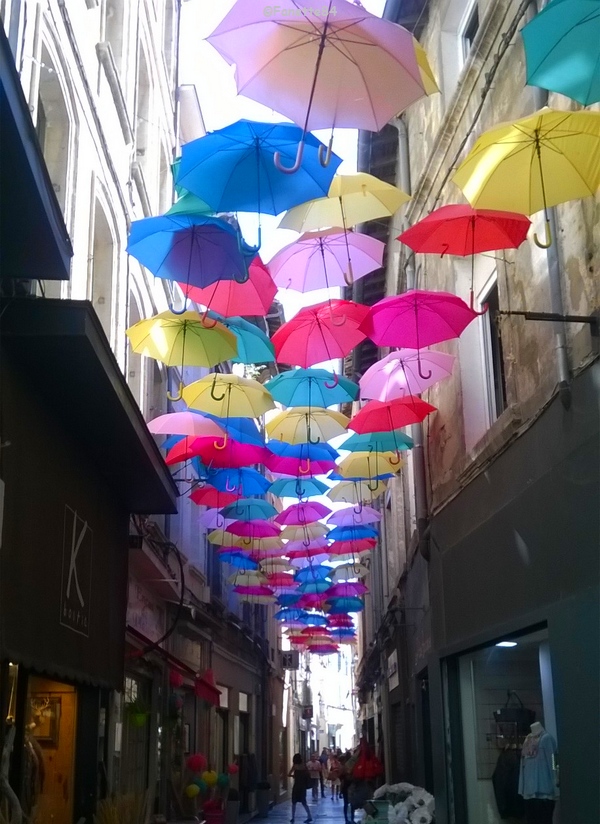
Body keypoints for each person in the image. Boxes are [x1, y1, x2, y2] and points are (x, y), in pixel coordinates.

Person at [289, 753, 313, 824]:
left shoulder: (295, 766)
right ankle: (309, 816)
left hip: (296, 786)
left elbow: (289, 774)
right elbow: (308, 774)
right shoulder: (304, 766)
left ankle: (293, 817)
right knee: (304, 802)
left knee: (294, 802)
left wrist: (294, 776)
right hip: (303, 787)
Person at [339, 753, 355, 823]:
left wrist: (340, 791)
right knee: (351, 804)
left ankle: (347, 819)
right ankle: (351, 818)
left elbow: (341, 779)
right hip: (351, 786)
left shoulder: (343, 767)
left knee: (346, 803)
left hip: (346, 786)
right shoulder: (350, 766)